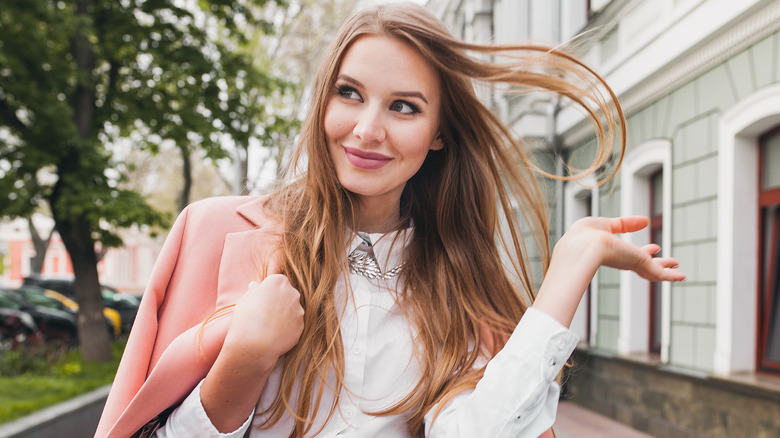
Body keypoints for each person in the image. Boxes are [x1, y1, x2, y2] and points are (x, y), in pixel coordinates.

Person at [96, 3, 685, 437]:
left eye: (404, 106)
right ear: (323, 100)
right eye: (349, 94)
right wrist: (243, 360)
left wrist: (569, 269)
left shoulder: (456, 285)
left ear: (438, 136)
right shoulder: (217, 234)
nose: (368, 129)